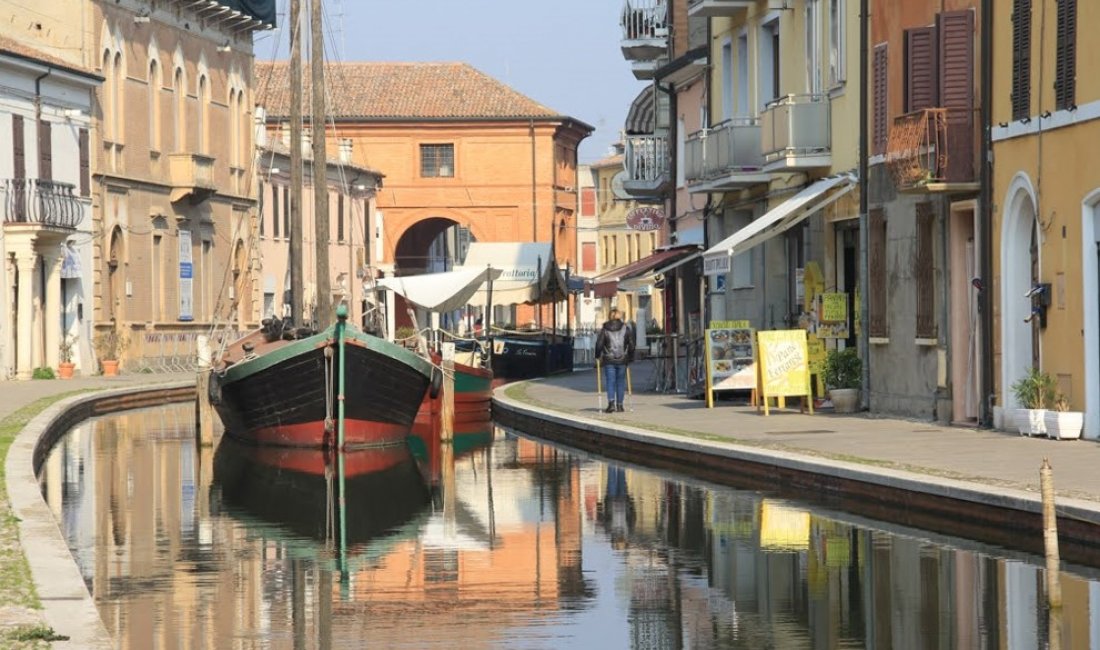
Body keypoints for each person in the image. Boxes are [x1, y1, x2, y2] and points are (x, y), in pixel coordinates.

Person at [595, 308, 635, 413]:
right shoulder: (626, 328)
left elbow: (599, 344)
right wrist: (631, 357)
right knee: (620, 382)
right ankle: (620, 405)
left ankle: (611, 404)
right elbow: (631, 344)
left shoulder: (605, 329)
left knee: (610, 381)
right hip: (622, 359)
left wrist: (597, 355)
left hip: (608, 359)